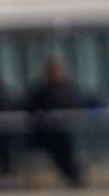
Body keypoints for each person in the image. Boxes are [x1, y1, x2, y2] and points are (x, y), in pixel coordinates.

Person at [27, 55, 86, 187]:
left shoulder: (69, 89)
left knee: (64, 144)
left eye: (57, 70)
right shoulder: (40, 91)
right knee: (59, 144)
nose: (54, 73)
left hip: (66, 133)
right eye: (51, 70)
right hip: (45, 135)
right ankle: (72, 174)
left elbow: (75, 108)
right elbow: (31, 108)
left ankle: (72, 173)